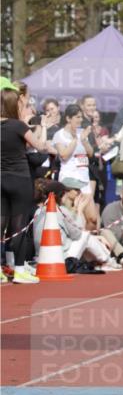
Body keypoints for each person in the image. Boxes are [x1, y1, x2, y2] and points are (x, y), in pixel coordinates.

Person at [0, 85, 48, 284]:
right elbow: (40, 146)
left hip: (0, 178)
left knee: (0, 224)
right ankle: (19, 269)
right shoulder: (18, 126)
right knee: (18, 226)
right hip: (19, 179)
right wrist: (41, 127)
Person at [53, 104, 94, 190]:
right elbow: (64, 155)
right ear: (68, 119)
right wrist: (75, 138)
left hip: (84, 178)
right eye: (78, 117)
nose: (81, 120)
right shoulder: (59, 135)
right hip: (69, 177)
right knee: (74, 202)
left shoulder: (82, 132)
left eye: (81, 117)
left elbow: (90, 154)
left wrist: (84, 140)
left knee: (88, 203)